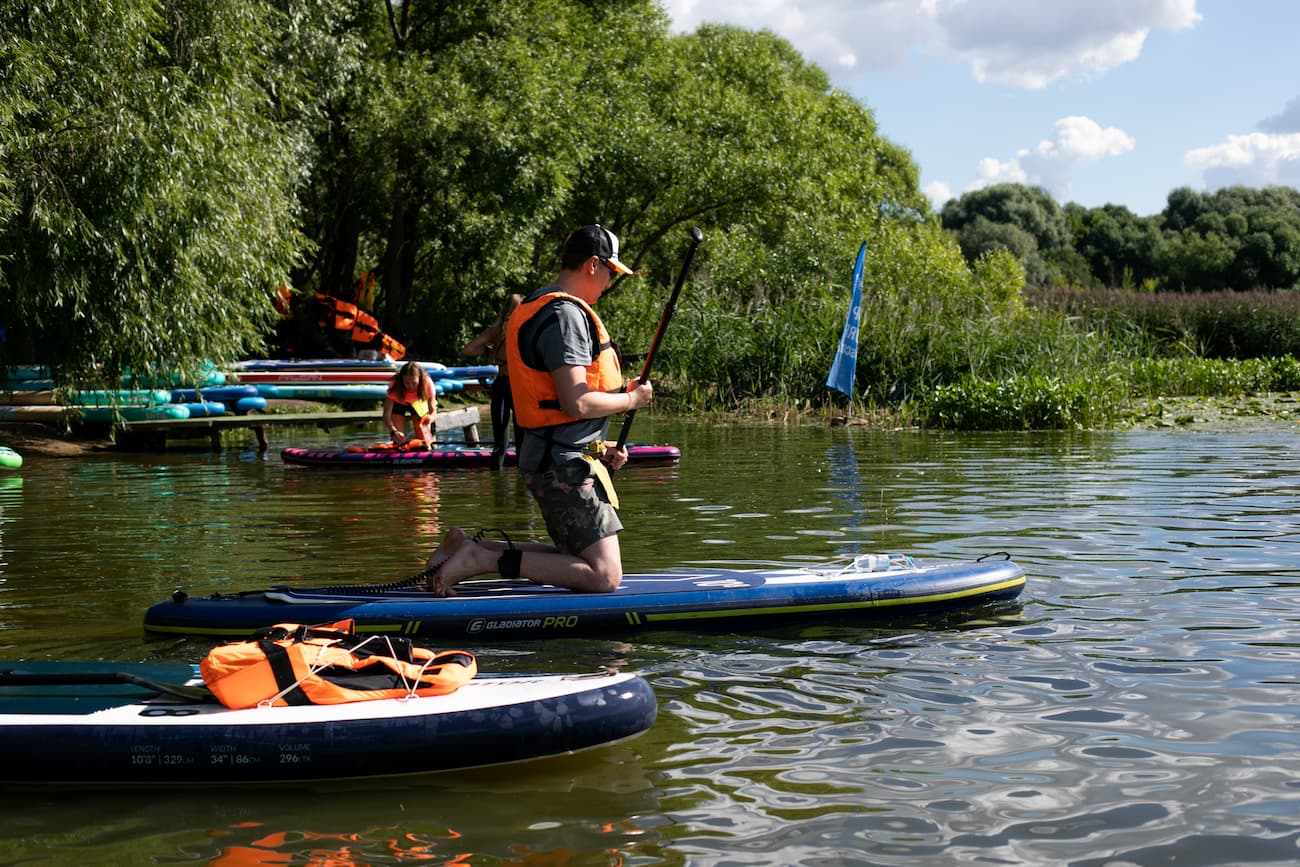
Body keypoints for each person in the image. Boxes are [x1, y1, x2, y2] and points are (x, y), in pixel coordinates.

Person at [425, 224, 652, 595]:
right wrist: (631, 400)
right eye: (610, 271)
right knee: (603, 576)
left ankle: (470, 547)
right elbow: (575, 400)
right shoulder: (565, 316)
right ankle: (481, 560)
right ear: (593, 265)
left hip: (559, 456)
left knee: (573, 555)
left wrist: (599, 448)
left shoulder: (544, 304)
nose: (610, 282)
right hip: (559, 464)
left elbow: (564, 407)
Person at [460, 293, 523, 470]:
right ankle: (524, 482)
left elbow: (467, 350)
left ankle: (498, 487)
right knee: (522, 438)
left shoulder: (494, 332)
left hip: (501, 385)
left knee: (499, 441)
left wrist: (491, 349)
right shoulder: (524, 329)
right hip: (519, 386)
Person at [382, 361, 437, 446]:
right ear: (402, 380)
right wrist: (393, 431)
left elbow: (433, 411)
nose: (410, 387)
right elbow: (386, 415)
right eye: (407, 383)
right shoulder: (394, 385)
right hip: (399, 404)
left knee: (423, 441)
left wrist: (430, 418)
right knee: (398, 439)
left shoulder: (427, 383)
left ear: (419, 379)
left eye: (414, 383)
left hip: (418, 404)